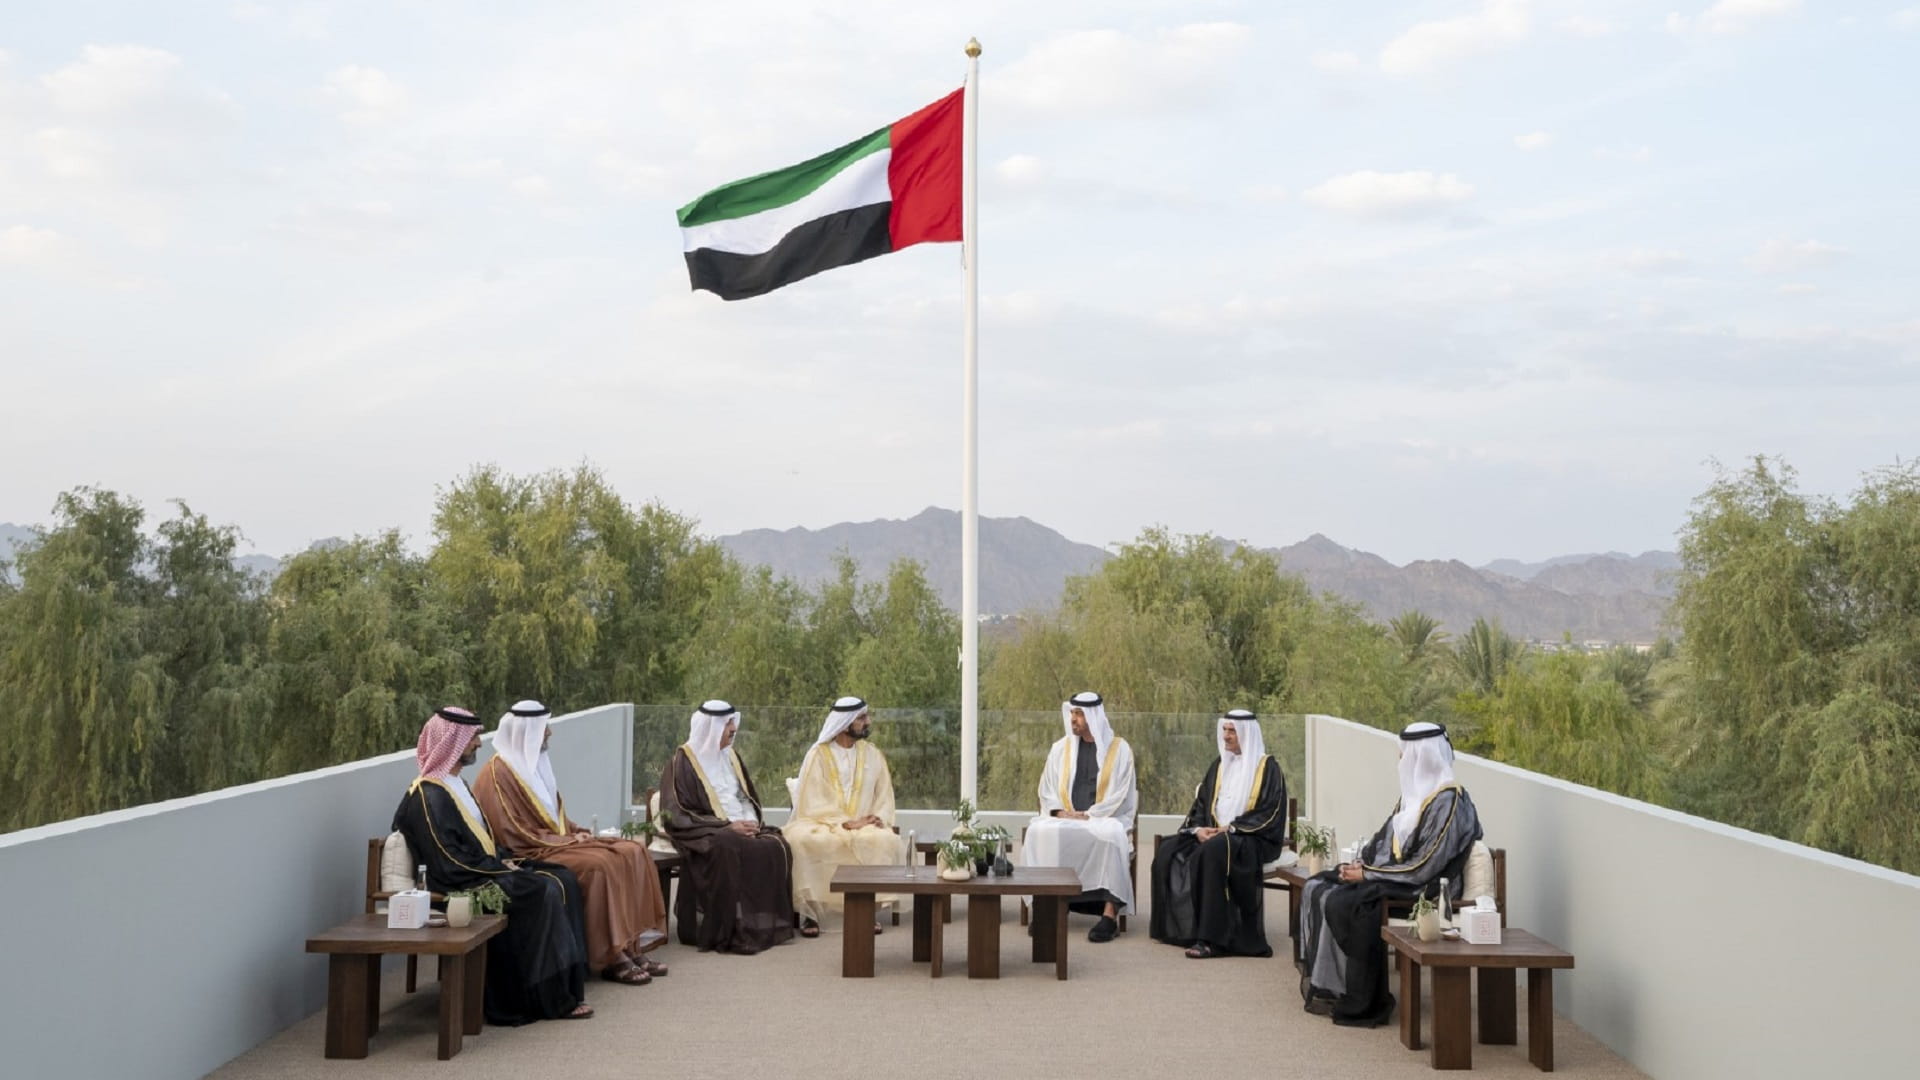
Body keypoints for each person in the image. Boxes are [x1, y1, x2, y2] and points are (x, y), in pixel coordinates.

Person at [390, 706, 593, 1024]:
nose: (478, 743)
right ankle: (540, 998)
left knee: (563, 877)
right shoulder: (429, 795)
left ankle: (562, 986)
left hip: (483, 871)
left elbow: (480, 841)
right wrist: (500, 869)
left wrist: (505, 859)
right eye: (472, 737)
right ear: (451, 742)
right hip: (461, 886)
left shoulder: (455, 785)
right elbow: (449, 860)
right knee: (541, 890)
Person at [472, 700, 671, 986]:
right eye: (544, 727)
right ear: (527, 731)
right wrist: (566, 839)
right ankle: (610, 956)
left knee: (632, 850)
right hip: (529, 851)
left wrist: (577, 832)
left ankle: (630, 945)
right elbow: (512, 832)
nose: (549, 733)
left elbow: (556, 817)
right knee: (599, 865)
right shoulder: (496, 773)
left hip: (556, 842)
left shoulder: (535, 764)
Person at [1298, 721, 1484, 1027]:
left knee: (1348, 902)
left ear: (1420, 757)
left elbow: (1426, 865)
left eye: (1404, 754)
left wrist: (1368, 875)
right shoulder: (1414, 796)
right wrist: (1361, 865)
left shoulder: (1450, 802)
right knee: (1318, 885)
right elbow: (1382, 841)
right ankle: (1334, 986)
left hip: (1428, 890)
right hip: (1399, 879)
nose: (1400, 760)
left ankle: (1361, 997)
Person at [658, 700, 797, 954]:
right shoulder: (682, 762)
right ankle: (728, 927)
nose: (733, 728)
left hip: (739, 825)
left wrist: (750, 821)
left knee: (777, 845)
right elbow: (678, 812)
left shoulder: (731, 757)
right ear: (710, 727)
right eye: (727, 723)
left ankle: (759, 922)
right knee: (729, 845)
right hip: (704, 830)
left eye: (733, 722)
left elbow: (744, 797)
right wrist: (727, 827)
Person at [1149, 708, 1289, 958]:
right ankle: (1181, 929)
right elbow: (1202, 805)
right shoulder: (1220, 765)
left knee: (1213, 851)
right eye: (1224, 729)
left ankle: (1211, 940)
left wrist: (1231, 828)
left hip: (1252, 838)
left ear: (1247, 733)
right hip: (1216, 835)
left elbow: (1270, 811)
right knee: (1169, 849)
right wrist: (1199, 830)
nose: (1226, 736)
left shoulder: (1268, 768)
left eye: (1232, 731)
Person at [783, 696, 904, 937]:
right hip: (821, 822)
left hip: (865, 823)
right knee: (805, 840)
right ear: (844, 723)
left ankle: (866, 911)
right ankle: (811, 914)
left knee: (880, 840)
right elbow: (812, 800)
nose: (868, 722)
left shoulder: (873, 754)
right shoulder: (817, 755)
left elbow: (885, 795)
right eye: (861, 718)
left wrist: (877, 817)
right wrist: (845, 823)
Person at [1023, 691, 1138, 942]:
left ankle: (1109, 915)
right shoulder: (1060, 749)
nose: (1073, 719)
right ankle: (1048, 908)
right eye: (1072, 713)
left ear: (1094, 716)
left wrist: (1089, 815)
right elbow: (1046, 788)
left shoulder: (1120, 750)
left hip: (1105, 817)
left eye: (1079, 714)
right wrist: (1060, 811)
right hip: (1065, 816)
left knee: (1111, 836)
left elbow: (1120, 794)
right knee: (1039, 832)